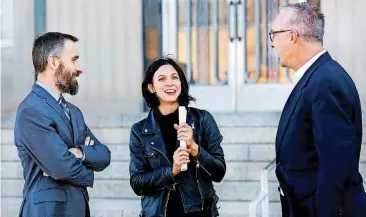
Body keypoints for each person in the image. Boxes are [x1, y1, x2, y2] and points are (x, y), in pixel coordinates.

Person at [270, 3, 366, 217]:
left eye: (273, 35)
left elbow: (336, 167)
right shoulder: (318, 77)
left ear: (292, 36)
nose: (272, 44)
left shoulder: (325, 82)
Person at [14, 32, 111, 217]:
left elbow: (104, 155)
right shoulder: (31, 110)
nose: (80, 68)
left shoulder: (74, 112)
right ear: (53, 62)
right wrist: (88, 171)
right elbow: (61, 167)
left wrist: (80, 153)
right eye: (74, 60)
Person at [128, 57, 226, 217]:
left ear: (182, 83)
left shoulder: (202, 120)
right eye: (162, 79)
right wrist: (171, 171)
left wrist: (194, 148)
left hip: (200, 212)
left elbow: (219, 172)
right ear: (151, 87)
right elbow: (137, 183)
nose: (170, 83)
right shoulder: (140, 131)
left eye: (175, 77)